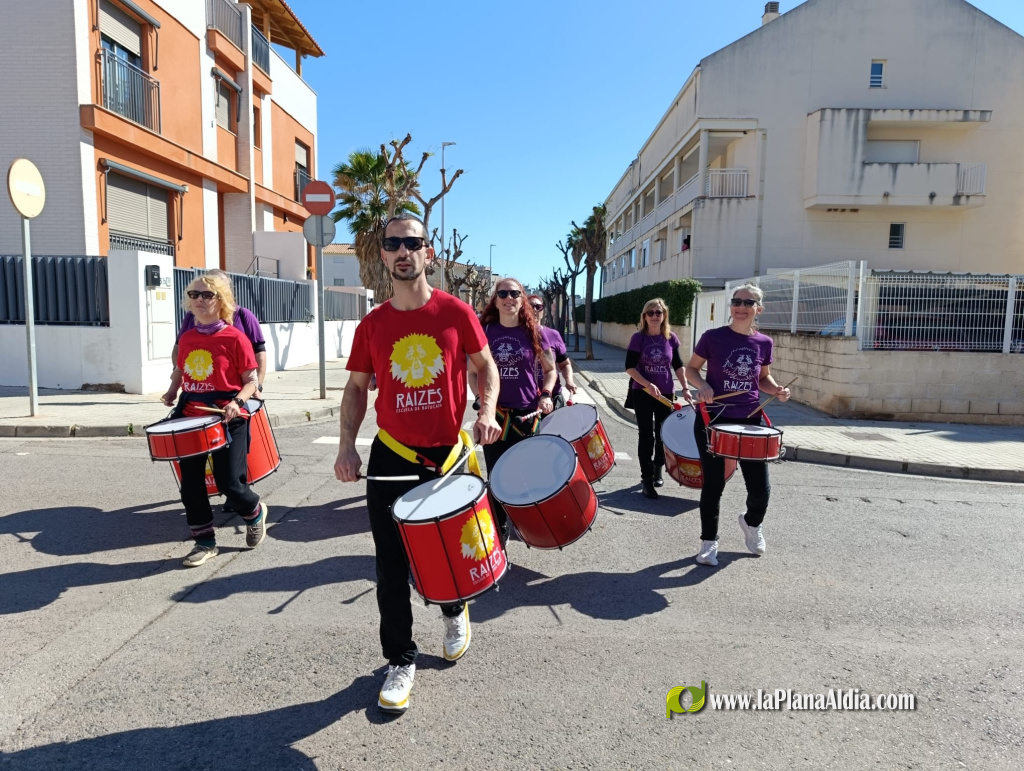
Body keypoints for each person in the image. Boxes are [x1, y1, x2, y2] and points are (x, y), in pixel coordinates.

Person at [334, 214, 501, 715]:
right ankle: (400, 659)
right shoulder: (374, 325)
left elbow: (485, 365)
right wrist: (346, 445)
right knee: (390, 566)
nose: (403, 251)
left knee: (449, 552)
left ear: (428, 252)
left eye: (413, 243)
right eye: (393, 244)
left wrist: (487, 410)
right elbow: (357, 388)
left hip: (448, 454)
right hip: (393, 455)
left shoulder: (456, 312)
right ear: (382, 254)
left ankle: (454, 610)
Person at [161, 273, 267, 567]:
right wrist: (172, 391)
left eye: (206, 295)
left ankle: (254, 512)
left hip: (228, 416)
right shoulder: (188, 337)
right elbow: (182, 371)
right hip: (191, 416)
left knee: (229, 483)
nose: (198, 300)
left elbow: (250, 380)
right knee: (191, 485)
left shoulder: (235, 337)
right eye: (194, 295)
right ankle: (204, 542)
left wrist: (238, 402)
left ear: (221, 301)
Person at [684, 283, 791, 567]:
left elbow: (763, 379)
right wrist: (703, 385)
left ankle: (751, 524)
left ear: (758, 309)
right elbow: (690, 369)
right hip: (714, 418)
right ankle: (709, 543)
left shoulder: (764, 343)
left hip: (750, 419)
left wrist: (777, 389)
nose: (741, 307)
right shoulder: (712, 337)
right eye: (736, 301)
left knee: (760, 488)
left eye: (748, 302)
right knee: (714, 484)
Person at [472, 278, 556, 543]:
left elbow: (551, 370)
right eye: (503, 293)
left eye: (515, 293)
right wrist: (481, 399)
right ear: (495, 300)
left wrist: (546, 394)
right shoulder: (484, 331)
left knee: (525, 475)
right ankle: (499, 528)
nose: (509, 298)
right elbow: (472, 372)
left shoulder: (535, 332)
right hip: (495, 415)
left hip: (526, 415)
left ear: (523, 299)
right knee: (497, 475)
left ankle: (524, 522)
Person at [624, 298, 691, 500]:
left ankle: (658, 466)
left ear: (664, 316)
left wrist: (686, 388)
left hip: (666, 394)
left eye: (658, 313)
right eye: (650, 313)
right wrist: (647, 384)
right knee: (646, 435)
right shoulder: (638, 338)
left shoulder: (671, 338)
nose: (654, 316)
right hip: (642, 393)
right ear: (644, 316)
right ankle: (646, 479)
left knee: (664, 433)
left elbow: (678, 365)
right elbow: (629, 367)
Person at [526, 294, 577, 408]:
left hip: (552, 397)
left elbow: (565, 364)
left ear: (543, 311)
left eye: (538, 307)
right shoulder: (516, 335)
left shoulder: (553, 335)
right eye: (530, 306)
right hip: (525, 400)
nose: (534, 309)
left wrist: (569, 380)